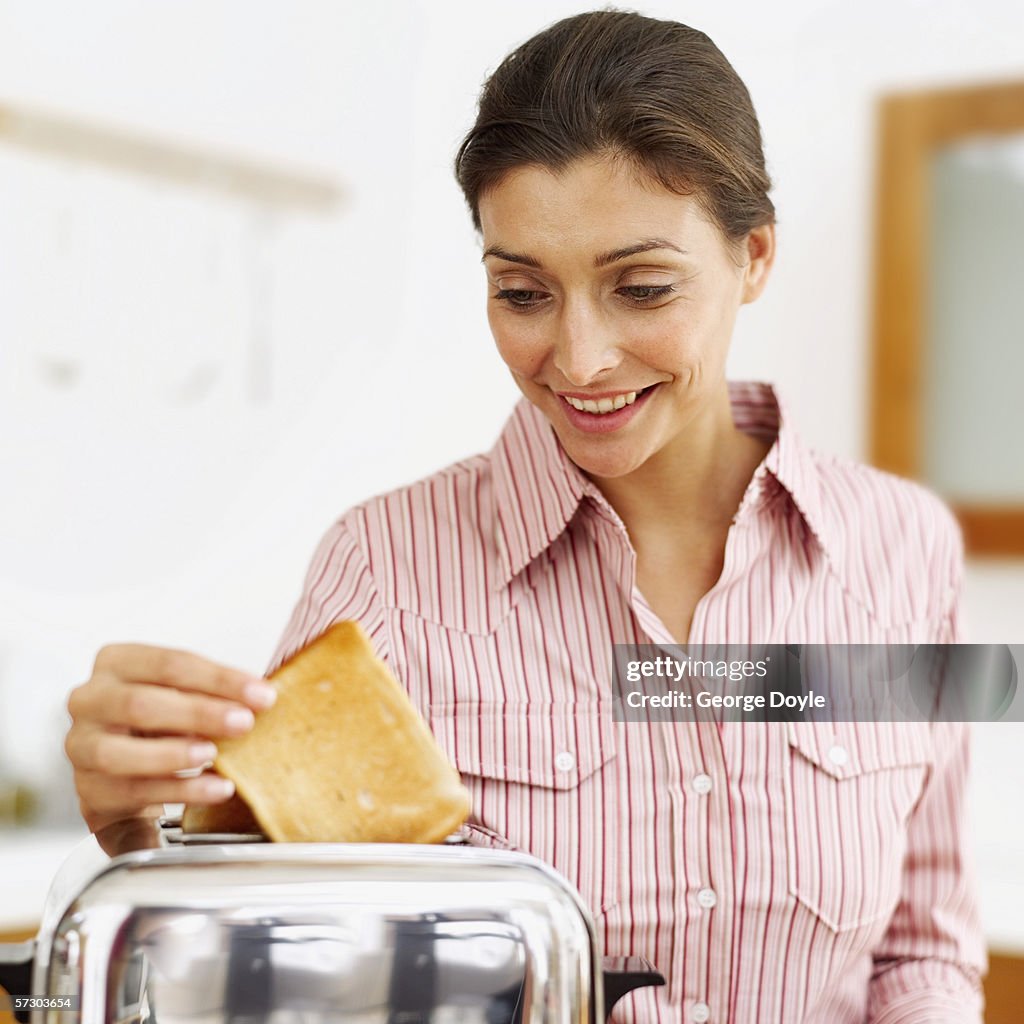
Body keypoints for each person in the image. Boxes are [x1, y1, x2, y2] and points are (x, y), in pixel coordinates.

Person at [64, 10, 986, 1022]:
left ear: (753, 257)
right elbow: (290, 966)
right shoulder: (383, 567)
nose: (581, 358)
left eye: (641, 288)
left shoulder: (905, 550)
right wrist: (147, 832)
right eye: (522, 292)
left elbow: (922, 953)